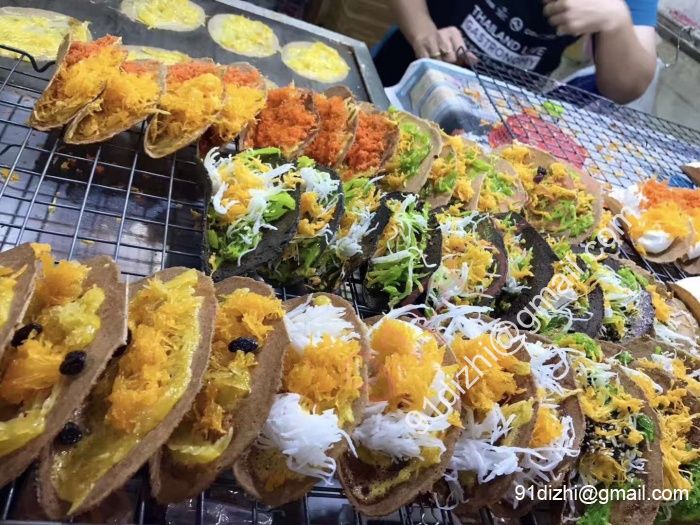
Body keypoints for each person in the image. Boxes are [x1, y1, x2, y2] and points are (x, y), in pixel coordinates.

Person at [373, 0, 658, 104]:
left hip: (502, 103)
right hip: (408, 70)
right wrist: (423, 31)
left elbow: (629, 87)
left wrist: (616, 19)